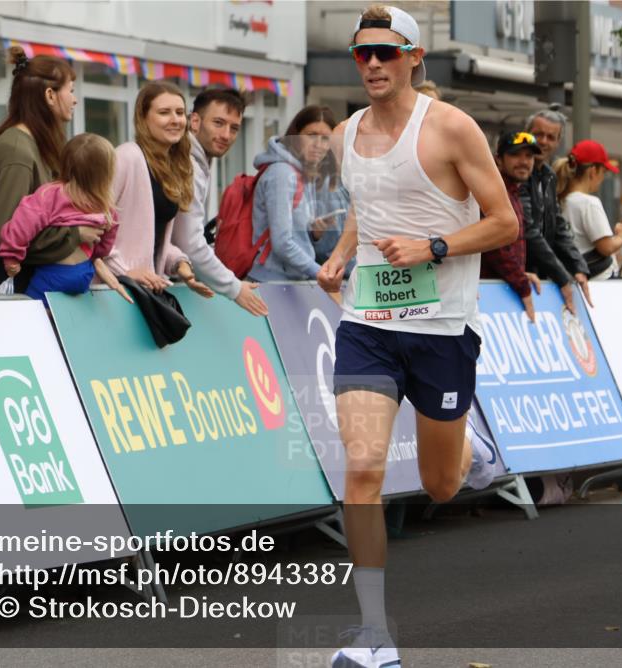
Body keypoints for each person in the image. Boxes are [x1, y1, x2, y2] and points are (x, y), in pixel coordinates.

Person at [316, 6, 517, 666]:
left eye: (384, 52)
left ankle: (469, 450)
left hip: (441, 326)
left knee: (437, 485)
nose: (372, 64)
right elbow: (368, 205)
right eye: (361, 54)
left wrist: (433, 246)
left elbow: (504, 222)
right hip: (367, 323)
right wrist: (344, 252)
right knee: (365, 469)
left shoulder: (452, 129)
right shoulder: (345, 137)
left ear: (413, 56)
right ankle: (374, 634)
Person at [0, 47, 96, 294]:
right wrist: (75, 234)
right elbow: (10, 233)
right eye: (70, 90)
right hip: (12, 284)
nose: (75, 99)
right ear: (50, 95)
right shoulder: (18, 150)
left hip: (29, 279)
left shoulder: (31, 145)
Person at [104, 81, 210, 297]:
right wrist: (125, 272)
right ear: (143, 118)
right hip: (112, 292)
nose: (175, 120)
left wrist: (179, 263)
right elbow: (93, 225)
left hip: (146, 291)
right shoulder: (126, 156)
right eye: (164, 112)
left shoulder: (174, 166)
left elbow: (151, 238)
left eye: (180, 113)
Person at [0, 133, 130, 307]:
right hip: (84, 273)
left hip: (55, 273)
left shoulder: (51, 194)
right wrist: (96, 255)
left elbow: (23, 225)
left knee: (32, 310)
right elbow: (106, 241)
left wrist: (11, 256)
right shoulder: (106, 207)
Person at [169, 86, 267, 315]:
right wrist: (234, 288)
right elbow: (189, 243)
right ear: (195, 121)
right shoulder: (187, 164)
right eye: (218, 123)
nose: (226, 135)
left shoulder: (195, 159)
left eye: (234, 128)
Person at [247, 105, 338, 281]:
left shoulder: (303, 172)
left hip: (288, 282)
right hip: (270, 283)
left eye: (325, 138)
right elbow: (282, 242)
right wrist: (319, 272)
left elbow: (292, 236)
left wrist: (313, 234)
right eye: (311, 135)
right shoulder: (282, 173)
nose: (318, 145)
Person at [521, 108, 591, 313]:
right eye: (538, 134)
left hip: (540, 278)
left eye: (550, 137)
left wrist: (578, 267)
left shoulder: (549, 176)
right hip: (513, 276)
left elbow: (558, 225)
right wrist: (562, 276)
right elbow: (527, 229)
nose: (543, 141)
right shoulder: (517, 175)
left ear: (558, 142)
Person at [554, 139, 622, 280]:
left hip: (573, 280)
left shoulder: (561, 201)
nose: (602, 178)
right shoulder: (589, 203)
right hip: (598, 284)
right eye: (603, 172)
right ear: (593, 171)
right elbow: (606, 248)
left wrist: (616, 237)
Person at [487, 131, 542, 321]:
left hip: (496, 293)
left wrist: (521, 275)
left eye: (529, 156)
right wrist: (522, 284)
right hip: (484, 298)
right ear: (498, 160)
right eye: (515, 154)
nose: (524, 161)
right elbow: (495, 247)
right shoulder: (492, 191)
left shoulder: (512, 192)